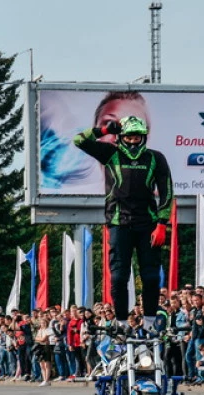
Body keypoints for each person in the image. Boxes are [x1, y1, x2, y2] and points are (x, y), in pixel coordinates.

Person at [74, 115, 173, 329]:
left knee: (151, 276)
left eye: (138, 137)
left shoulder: (156, 158)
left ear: (144, 137)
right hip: (119, 223)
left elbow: (167, 192)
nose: (134, 141)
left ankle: (149, 322)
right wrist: (102, 131)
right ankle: (120, 322)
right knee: (119, 277)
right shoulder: (111, 153)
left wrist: (163, 223)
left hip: (148, 223)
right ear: (121, 137)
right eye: (129, 137)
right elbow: (78, 140)